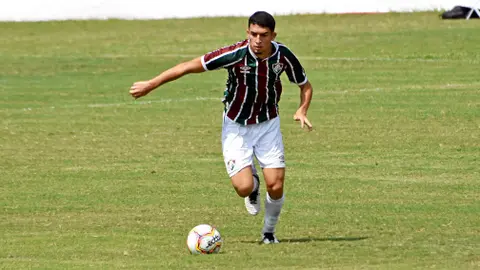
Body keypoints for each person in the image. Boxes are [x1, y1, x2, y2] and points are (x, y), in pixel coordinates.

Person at [129, 11, 313, 244]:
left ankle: (269, 233)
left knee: (276, 186)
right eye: (253, 34)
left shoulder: (283, 55)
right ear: (247, 33)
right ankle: (253, 187)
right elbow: (188, 66)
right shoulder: (234, 54)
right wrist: (151, 84)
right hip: (236, 126)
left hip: (268, 124)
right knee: (244, 187)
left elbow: (305, 86)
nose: (258, 40)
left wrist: (302, 109)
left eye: (264, 35)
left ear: (273, 35)